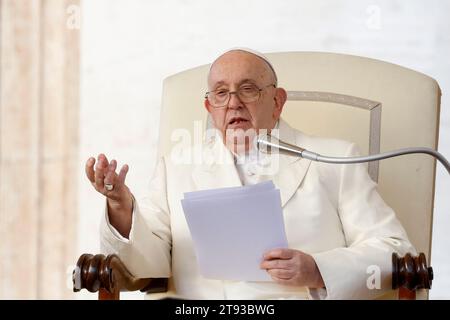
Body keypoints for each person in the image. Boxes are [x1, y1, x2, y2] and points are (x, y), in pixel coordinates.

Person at [85, 48, 416, 299]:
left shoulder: (334, 158)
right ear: (209, 108)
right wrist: (121, 206)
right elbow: (148, 263)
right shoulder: (177, 166)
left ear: (277, 101)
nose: (233, 103)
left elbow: (395, 250)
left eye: (248, 89)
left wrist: (318, 270)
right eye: (221, 92)